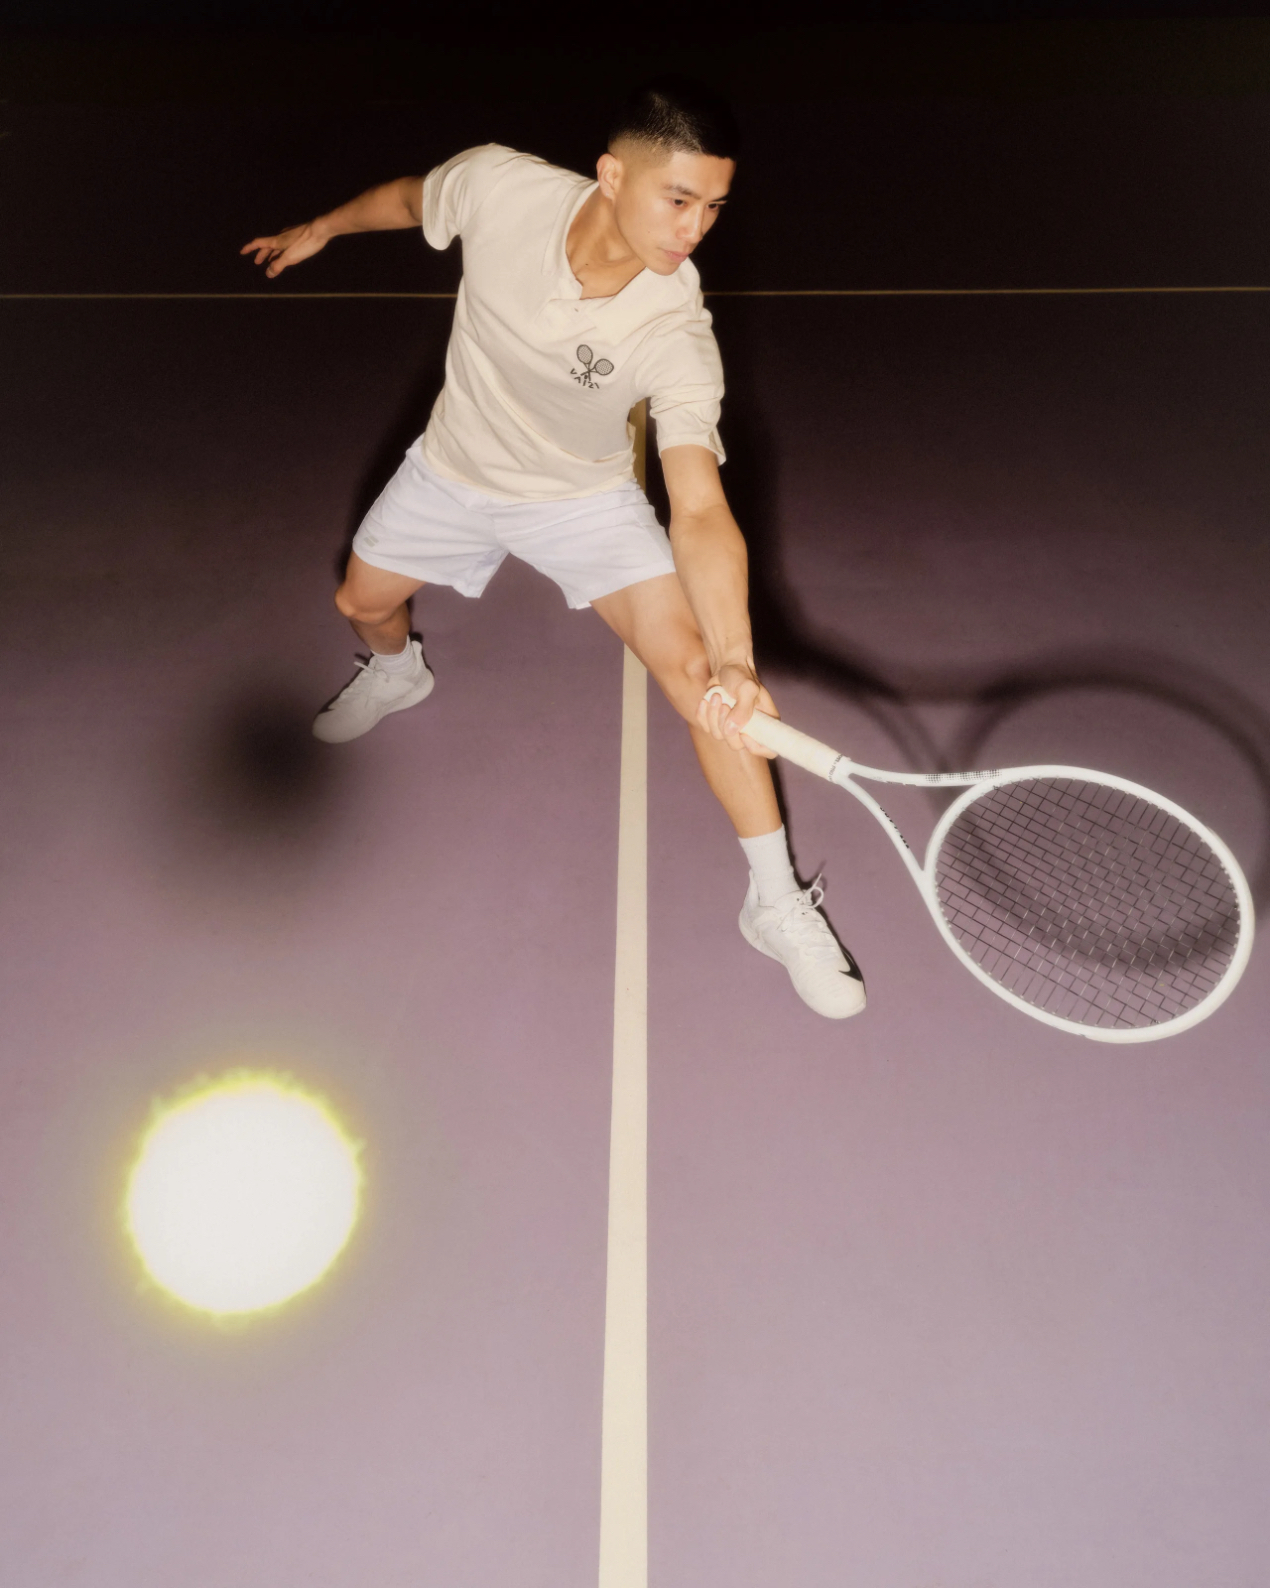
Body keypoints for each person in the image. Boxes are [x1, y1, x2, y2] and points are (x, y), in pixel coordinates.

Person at [241, 80, 864, 1020]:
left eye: (714, 207)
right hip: (451, 471)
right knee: (360, 603)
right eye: (679, 198)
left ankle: (774, 901)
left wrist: (736, 658)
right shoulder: (499, 187)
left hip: (581, 501)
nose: (696, 229)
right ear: (612, 175)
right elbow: (409, 198)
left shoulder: (675, 326)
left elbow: (698, 506)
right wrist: (323, 227)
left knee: (703, 682)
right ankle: (399, 672)